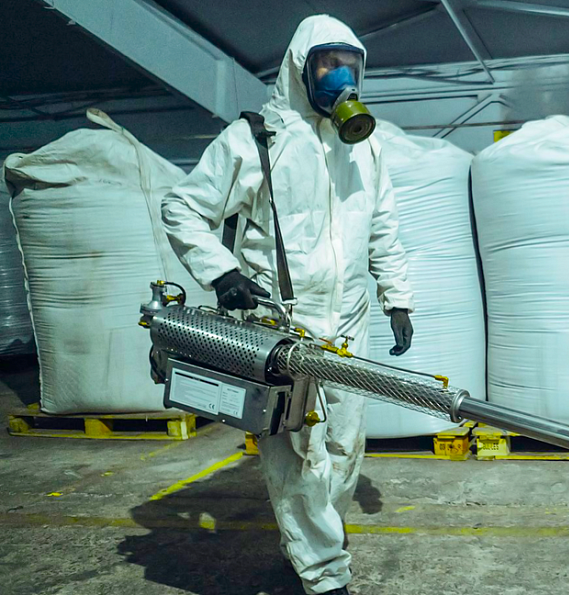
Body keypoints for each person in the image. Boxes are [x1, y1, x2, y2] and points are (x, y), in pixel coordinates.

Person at [161, 15, 414, 595]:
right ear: (301, 69)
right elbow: (183, 208)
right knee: (298, 453)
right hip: (282, 325)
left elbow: (382, 225)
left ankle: (311, 546)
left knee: (345, 448)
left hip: (349, 318)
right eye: (329, 65)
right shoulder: (256, 139)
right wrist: (222, 272)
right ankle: (324, 575)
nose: (342, 77)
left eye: (351, 65)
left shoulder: (366, 145)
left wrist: (397, 297)